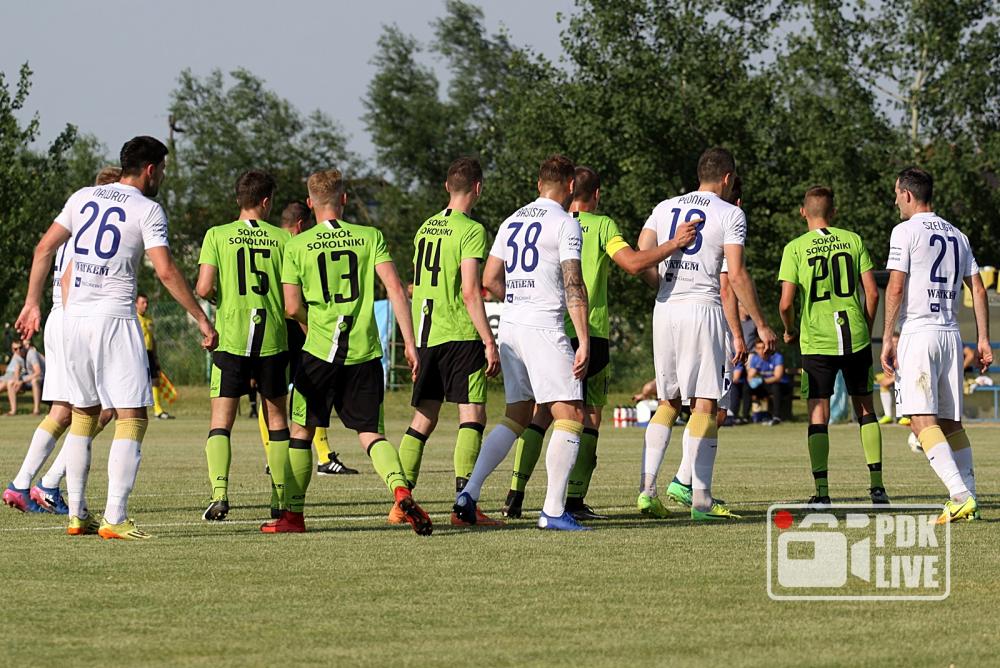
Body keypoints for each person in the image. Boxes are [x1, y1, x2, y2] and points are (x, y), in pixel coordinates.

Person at [14, 135, 218, 540]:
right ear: (151, 169)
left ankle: (77, 515)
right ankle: (115, 517)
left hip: (72, 318)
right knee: (133, 416)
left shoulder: (82, 197)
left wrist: (31, 303)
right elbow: (165, 270)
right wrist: (200, 317)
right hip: (113, 318)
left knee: (84, 413)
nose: (162, 176)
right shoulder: (148, 208)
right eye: (163, 169)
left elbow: (43, 249)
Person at [501, 165, 697, 521]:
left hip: (547, 327)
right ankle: (573, 500)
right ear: (597, 194)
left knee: (541, 412)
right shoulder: (602, 225)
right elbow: (633, 263)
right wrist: (673, 245)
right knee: (589, 415)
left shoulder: (551, 220)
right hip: (589, 331)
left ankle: (515, 494)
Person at [275, 169, 431, 535]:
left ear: (310, 203)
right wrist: (410, 344)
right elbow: (395, 289)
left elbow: (291, 306)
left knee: (301, 431)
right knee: (371, 434)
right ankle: (400, 490)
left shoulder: (296, 245)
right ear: (343, 199)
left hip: (318, 353)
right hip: (364, 353)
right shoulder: (370, 236)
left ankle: (293, 517)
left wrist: (315, 324)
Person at [450, 155, 591, 531]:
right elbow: (574, 283)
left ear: (538, 184)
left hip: (512, 326)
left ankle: (469, 494)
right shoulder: (566, 222)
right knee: (571, 414)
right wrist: (583, 339)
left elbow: (490, 279)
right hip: (543, 326)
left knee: (517, 414)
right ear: (571, 186)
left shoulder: (512, 219)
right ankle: (553, 511)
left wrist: (520, 301)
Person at [636, 147, 776, 520]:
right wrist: (761, 324)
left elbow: (642, 252)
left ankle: (647, 491)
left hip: (665, 308)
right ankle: (701, 500)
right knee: (705, 405)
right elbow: (736, 274)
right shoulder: (730, 212)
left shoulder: (665, 206)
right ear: (728, 178)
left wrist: (662, 284)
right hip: (703, 308)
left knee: (667, 402)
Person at [2, 167, 119, 515]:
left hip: (61, 318)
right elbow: (71, 278)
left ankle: (25, 485)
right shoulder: (98, 232)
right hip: (75, 320)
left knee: (65, 411)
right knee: (103, 408)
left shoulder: (73, 225)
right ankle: (45, 484)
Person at [395, 157, 502, 526]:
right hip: (458, 333)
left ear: (446, 187)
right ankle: (464, 506)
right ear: (478, 188)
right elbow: (471, 291)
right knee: (472, 414)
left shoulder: (425, 228)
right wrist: (488, 340)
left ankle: (401, 499)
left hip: (427, 334)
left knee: (424, 416)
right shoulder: (471, 230)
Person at [880, 167, 991, 523]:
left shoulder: (905, 231)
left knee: (920, 421)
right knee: (950, 422)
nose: (896, 201)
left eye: (897, 194)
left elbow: (896, 286)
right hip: (951, 334)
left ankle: (960, 495)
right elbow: (978, 289)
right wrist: (983, 339)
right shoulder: (958, 235)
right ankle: (970, 496)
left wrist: (888, 336)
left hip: (919, 333)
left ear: (908, 194)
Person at [777, 185, 888, 505]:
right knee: (866, 409)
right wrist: (865, 327)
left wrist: (789, 330)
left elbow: (786, 304)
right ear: (834, 212)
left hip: (817, 340)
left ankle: (823, 493)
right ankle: (877, 487)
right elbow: (873, 293)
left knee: (818, 413)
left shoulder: (795, 248)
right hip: (855, 335)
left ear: (803, 212)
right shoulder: (853, 240)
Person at [195, 170, 291, 521]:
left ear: (239, 199)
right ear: (265, 202)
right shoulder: (283, 238)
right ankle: (280, 498)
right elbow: (291, 292)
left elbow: (203, 288)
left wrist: (224, 298)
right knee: (276, 419)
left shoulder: (217, 235)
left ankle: (220, 494)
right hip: (272, 339)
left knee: (221, 421)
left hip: (232, 338)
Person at [254, 201, 359, 478]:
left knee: (272, 395)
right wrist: (311, 329)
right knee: (312, 389)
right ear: (301, 225)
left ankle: (274, 456)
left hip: (270, 329)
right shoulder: (297, 246)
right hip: (295, 326)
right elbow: (296, 301)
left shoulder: (270, 242)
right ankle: (322, 457)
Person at [136, 293, 172, 419]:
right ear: (136, 304)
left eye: (147, 302)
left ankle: (158, 410)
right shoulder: (133, 318)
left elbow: (153, 339)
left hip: (149, 353)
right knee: (137, 382)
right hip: (137, 353)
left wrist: (156, 357)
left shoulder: (149, 319)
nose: (146, 305)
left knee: (155, 380)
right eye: (143, 303)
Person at [746, 340, 790, 423]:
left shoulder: (777, 357)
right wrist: (752, 380)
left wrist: (762, 381)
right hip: (765, 386)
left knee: (775, 387)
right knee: (747, 388)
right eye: (758, 348)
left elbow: (777, 377)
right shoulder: (755, 358)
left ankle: (776, 417)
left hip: (781, 386)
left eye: (763, 347)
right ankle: (745, 417)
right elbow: (750, 377)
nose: (761, 350)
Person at [20, 337, 45, 415]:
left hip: (44, 378)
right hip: (33, 377)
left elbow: (38, 372)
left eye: (21, 347)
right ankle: (12, 410)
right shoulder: (22, 355)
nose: (18, 350)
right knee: (11, 382)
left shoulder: (31, 353)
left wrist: (22, 380)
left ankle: (36, 410)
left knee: (35, 381)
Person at [0, 341, 25, 415]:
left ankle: (13, 411)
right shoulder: (15, 356)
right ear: (13, 350)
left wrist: (17, 381)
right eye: (15, 349)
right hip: (4, 377)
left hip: (9, 378)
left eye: (20, 348)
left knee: (7, 384)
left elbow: (17, 370)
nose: (18, 350)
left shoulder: (19, 359)